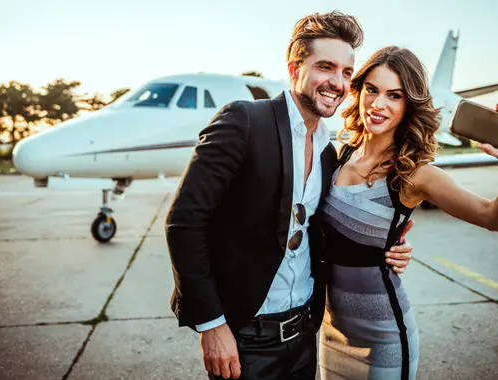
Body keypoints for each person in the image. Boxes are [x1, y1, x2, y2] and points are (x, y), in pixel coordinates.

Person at [164, 11, 416, 380]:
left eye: (347, 72)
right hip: (246, 337)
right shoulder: (245, 121)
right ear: (294, 67)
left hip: (304, 333)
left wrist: (388, 246)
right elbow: (185, 222)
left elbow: (324, 230)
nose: (337, 82)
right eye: (325, 67)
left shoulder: (330, 152)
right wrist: (211, 324)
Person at [317, 46, 498, 380]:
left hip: (384, 340)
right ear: (359, 90)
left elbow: (495, 218)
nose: (378, 105)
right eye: (372, 90)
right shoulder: (337, 154)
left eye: (394, 95)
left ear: (409, 105)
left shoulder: (415, 174)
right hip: (330, 334)